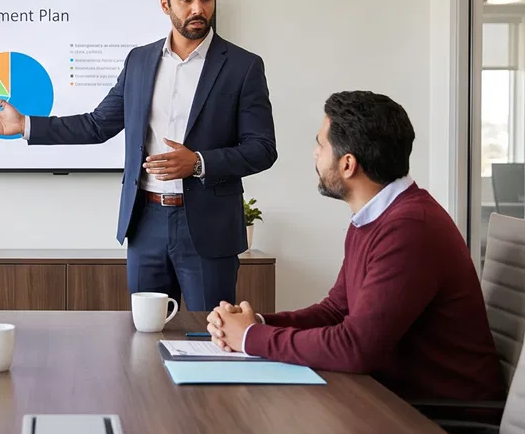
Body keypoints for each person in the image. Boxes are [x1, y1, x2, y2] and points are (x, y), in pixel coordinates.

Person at [0, 0, 276, 310]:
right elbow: (98, 124)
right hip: (145, 223)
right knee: (145, 337)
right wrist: (25, 124)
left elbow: (262, 148)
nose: (198, 8)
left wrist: (197, 162)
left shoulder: (242, 66)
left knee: (208, 339)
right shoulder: (140, 61)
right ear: (165, 4)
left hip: (208, 230)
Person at [207, 92, 502, 416]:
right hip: (393, 404)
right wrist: (256, 322)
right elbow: (336, 310)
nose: (315, 155)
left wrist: (251, 337)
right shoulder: (376, 217)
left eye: (321, 145)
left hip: (446, 425)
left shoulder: (410, 229)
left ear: (347, 164)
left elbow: (356, 347)